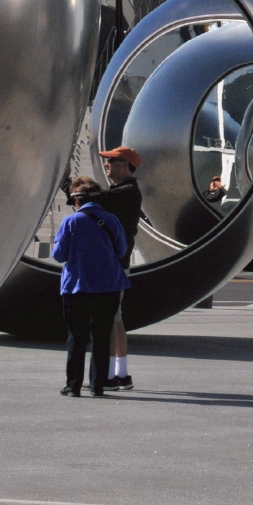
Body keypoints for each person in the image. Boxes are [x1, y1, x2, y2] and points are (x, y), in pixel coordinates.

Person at [51, 177, 130, 397]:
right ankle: (98, 384)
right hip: (108, 286)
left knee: (76, 337)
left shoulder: (70, 222)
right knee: (102, 337)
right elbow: (121, 250)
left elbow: (58, 255)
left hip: (77, 287)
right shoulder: (112, 220)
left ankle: (73, 385)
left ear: (76, 200)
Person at [91, 146, 144, 390]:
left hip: (112, 265)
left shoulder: (125, 193)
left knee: (110, 319)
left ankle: (113, 375)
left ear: (125, 165)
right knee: (115, 319)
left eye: (112, 161)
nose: (106, 165)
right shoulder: (122, 191)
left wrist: (66, 182)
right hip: (114, 263)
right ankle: (119, 373)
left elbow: (89, 201)